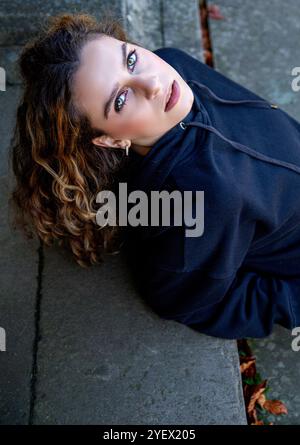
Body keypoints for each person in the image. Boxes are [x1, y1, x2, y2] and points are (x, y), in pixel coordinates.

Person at [9, 12, 300, 340]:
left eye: (130, 59)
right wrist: (290, 302)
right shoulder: (202, 196)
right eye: (120, 99)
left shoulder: (173, 65)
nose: (154, 83)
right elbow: (182, 301)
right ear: (110, 140)